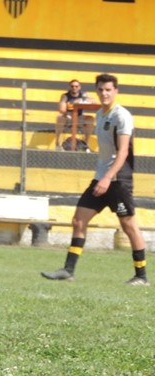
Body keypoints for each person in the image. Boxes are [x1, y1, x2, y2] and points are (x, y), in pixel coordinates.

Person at [42, 74, 148, 286]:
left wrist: (108, 178)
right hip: (101, 178)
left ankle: (141, 277)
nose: (104, 93)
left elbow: (124, 151)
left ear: (116, 91)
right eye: (101, 90)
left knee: (128, 226)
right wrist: (102, 177)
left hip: (118, 180)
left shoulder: (122, 116)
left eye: (108, 89)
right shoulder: (100, 114)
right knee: (78, 220)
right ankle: (68, 270)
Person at [55, 78, 95, 150]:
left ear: (79, 87)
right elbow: (62, 109)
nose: (74, 88)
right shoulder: (65, 96)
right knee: (60, 118)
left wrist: (82, 100)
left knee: (90, 119)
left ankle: (85, 143)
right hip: (68, 117)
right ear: (69, 87)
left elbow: (94, 101)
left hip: (79, 117)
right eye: (72, 86)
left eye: (76, 86)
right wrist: (69, 109)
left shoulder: (83, 94)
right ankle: (57, 143)